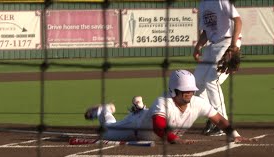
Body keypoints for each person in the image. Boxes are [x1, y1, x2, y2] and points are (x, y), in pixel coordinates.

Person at [82, 70, 252, 144]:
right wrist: (175, 140)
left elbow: (220, 120)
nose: (189, 94)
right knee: (107, 130)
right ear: (173, 91)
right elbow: (158, 127)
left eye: (191, 91)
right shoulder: (163, 101)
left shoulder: (198, 102)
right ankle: (104, 111)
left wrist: (234, 135)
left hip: (148, 123)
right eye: (184, 91)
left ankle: (139, 107)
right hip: (135, 128)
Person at [193, 0, 242, 136]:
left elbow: (238, 20)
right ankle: (212, 117)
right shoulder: (202, 4)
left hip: (228, 42)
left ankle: (222, 124)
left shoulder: (221, 1)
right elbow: (206, 32)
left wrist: (233, 46)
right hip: (213, 45)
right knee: (196, 83)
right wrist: (198, 46)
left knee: (211, 81)